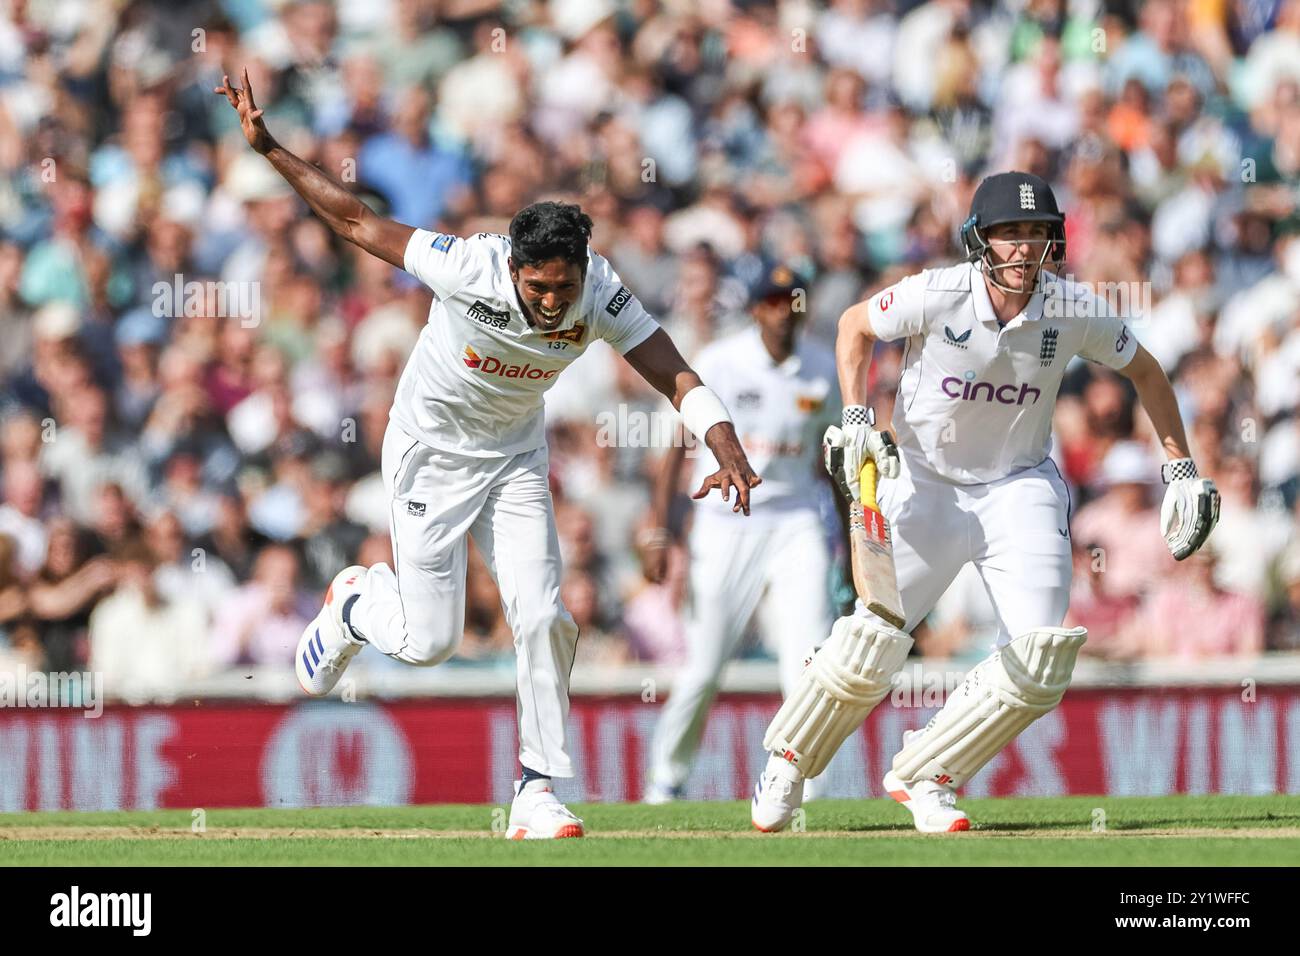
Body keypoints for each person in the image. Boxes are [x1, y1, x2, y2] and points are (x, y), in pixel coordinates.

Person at [216, 70, 761, 839]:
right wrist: (269, 146)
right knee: (429, 644)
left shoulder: (598, 291)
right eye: (538, 285)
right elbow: (356, 223)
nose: (549, 302)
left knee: (542, 612)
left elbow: (669, 367)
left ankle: (536, 790)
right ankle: (353, 606)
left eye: (561, 287)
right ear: (512, 266)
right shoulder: (468, 263)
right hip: (429, 452)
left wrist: (722, 436)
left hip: (512, 456)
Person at [750, 171, 1221, 834]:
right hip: (923, 480)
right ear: (981, 241)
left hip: (1017, 485)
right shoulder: (939, 292)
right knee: (873, 641)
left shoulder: (1069, 307)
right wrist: (858, 416)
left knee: (1040, 658)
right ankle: (787, 765)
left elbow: (1144, 369)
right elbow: (857, 327)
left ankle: (926, 776)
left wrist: (1179, 466)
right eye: (1010, 234)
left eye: (1036, 234)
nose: (1024, 249)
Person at [643, 264, 839, 802]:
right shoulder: (720, 362)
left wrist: (849, 546)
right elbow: (674, 452)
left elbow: (831, 467)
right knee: (703, 668)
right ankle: (667, 779)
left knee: (806, 665)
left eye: (792, 300)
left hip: (797, 521)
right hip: (725, 523)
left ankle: (801, 783)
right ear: (756, 308)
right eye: (772, 301)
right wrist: (661, 532)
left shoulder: (822, 367)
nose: (783, 310)